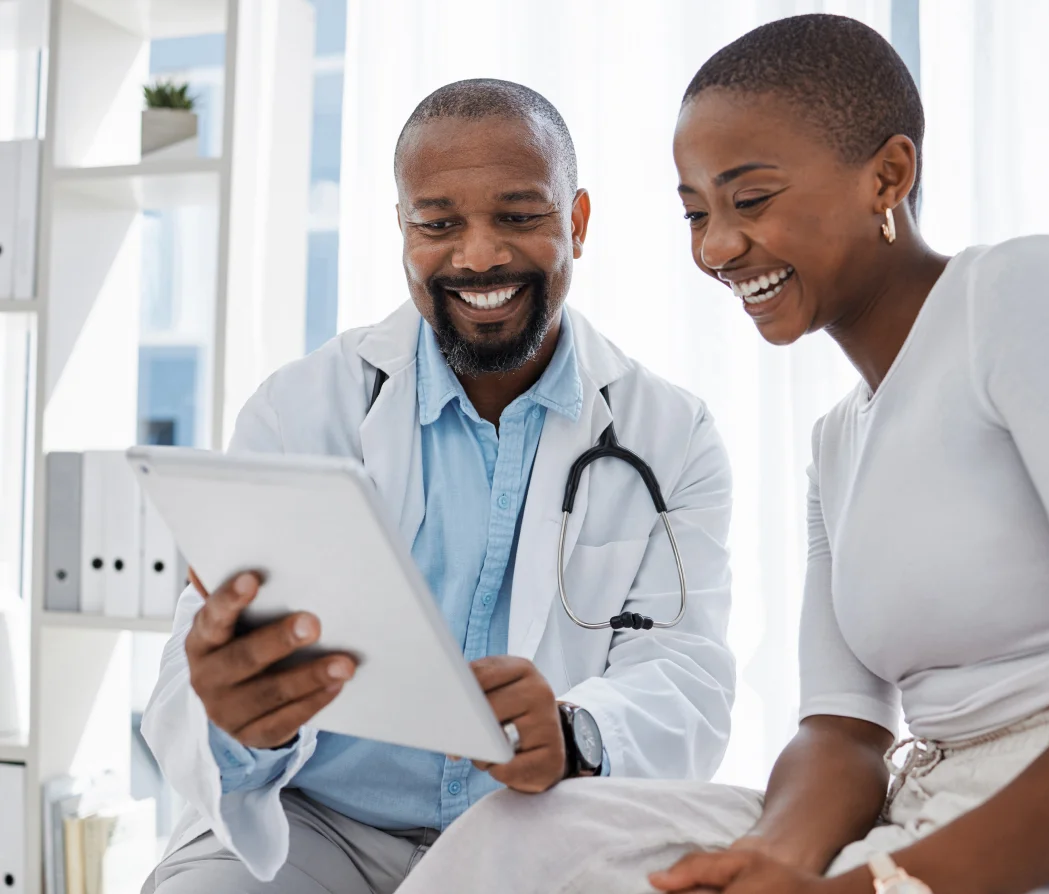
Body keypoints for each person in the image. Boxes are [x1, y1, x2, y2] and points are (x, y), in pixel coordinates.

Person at [394, 15, 1049, 894]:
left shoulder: (1022, 295)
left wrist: (873, 887)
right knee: (535, 831)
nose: (717, 247)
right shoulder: (839, 440)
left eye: (751, 200)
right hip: (922, 813)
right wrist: (771, 859)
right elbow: (844, 732)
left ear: (887, 175)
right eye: (696, 212)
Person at [139, 78, 738, 893]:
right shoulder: (299, 410)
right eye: (439, 222)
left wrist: (576, 732)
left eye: (520, 217)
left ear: (579, 221)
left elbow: (686, 671)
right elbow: (194, 664)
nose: (480, 254)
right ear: (402, 229)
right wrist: (238, 723)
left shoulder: (670, 433)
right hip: (314, 823)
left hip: (535, 832)